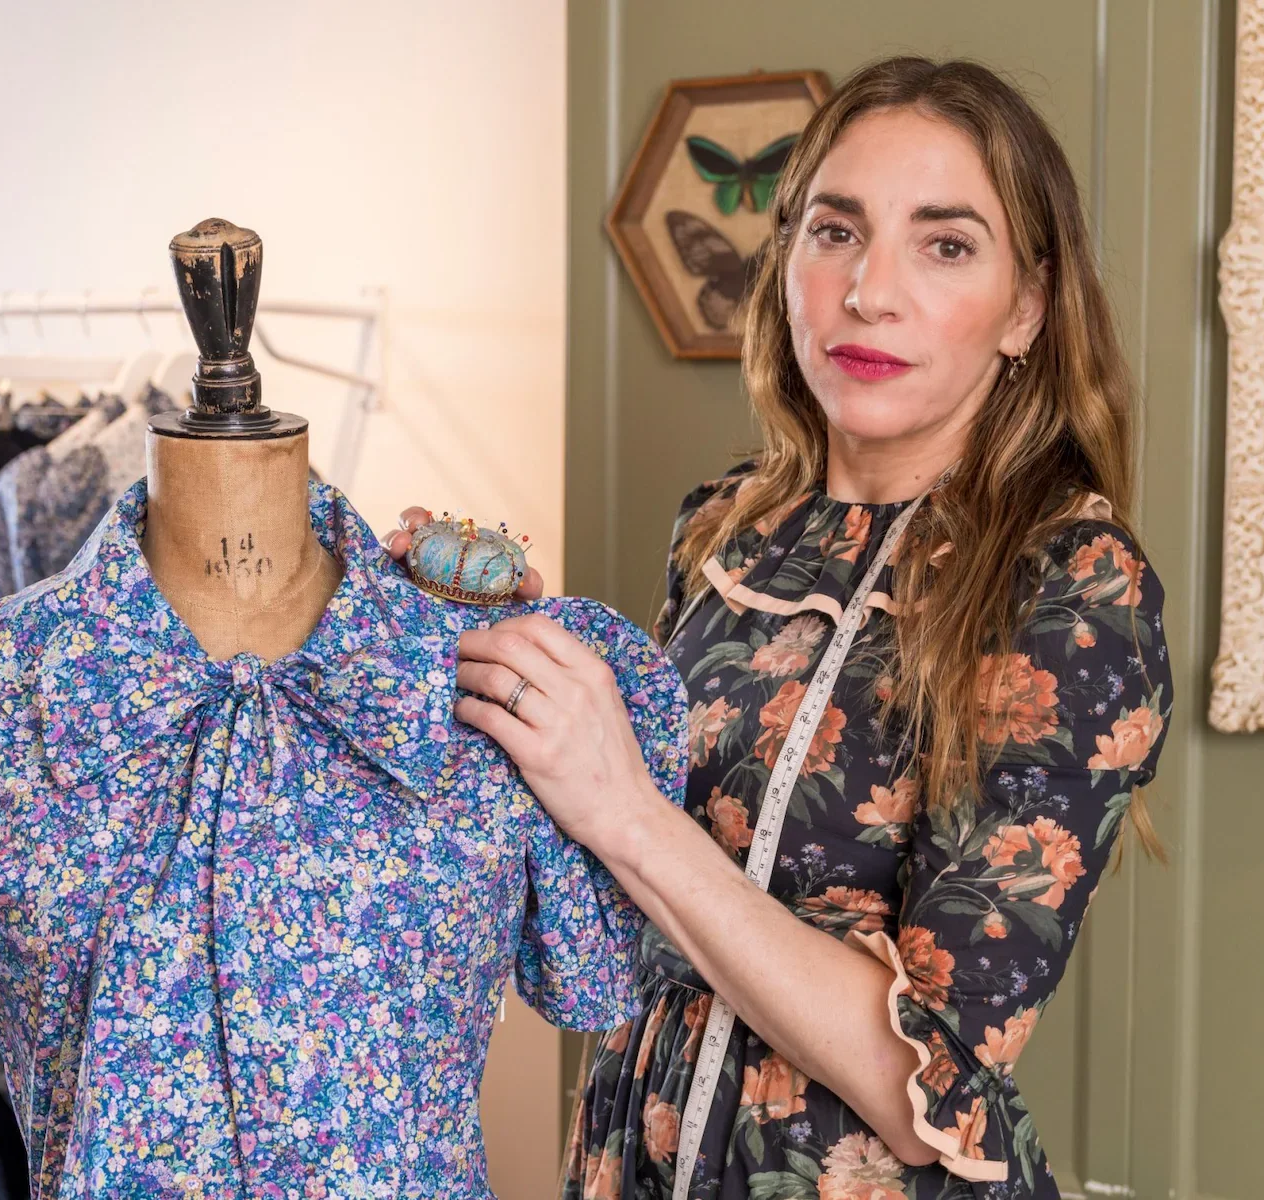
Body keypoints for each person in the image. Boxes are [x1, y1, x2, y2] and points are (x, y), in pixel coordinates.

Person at [388, 57, 1172, 1199]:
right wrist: (501, 657)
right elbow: (615, 907)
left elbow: (926, 1092)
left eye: (944, 245)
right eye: (835, 231)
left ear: (1028, 308)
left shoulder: (1072, 582)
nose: (869, 293)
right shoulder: (729, 523)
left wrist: (627, 810)